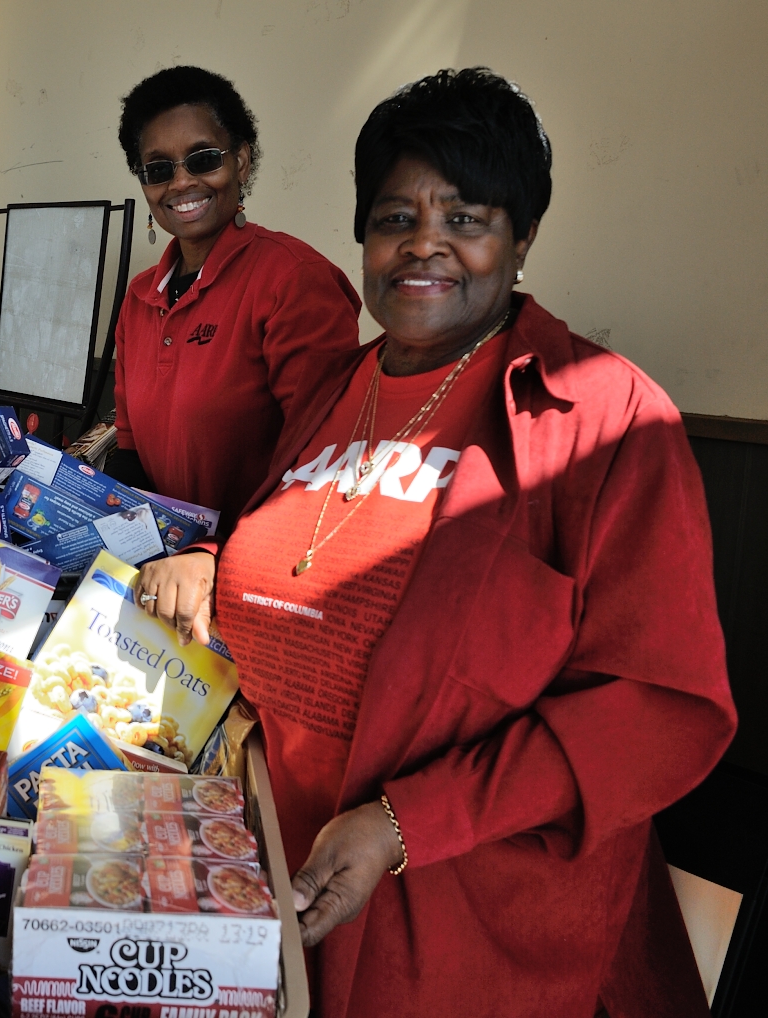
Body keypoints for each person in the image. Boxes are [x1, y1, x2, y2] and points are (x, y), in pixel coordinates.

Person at [136, 69, 736, 1016]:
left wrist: (402, 825)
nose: (423, 245)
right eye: (392, 217)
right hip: (276, 886)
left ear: (521, 235)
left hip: (469, 931)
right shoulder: (341, 385)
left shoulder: (604, 418)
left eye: (465, 217)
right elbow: (295, 547)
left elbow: (658, 709)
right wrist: (215, 567)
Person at [104, 66, 361, 530]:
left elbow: (321, 467)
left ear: (241, 161)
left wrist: (213, 558)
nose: (181, 183)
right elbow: (130, 454)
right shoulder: (140, 300)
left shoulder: (295, 281)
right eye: (159, 169)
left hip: (254, 567)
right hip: (161, 574)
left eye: (203, 159)